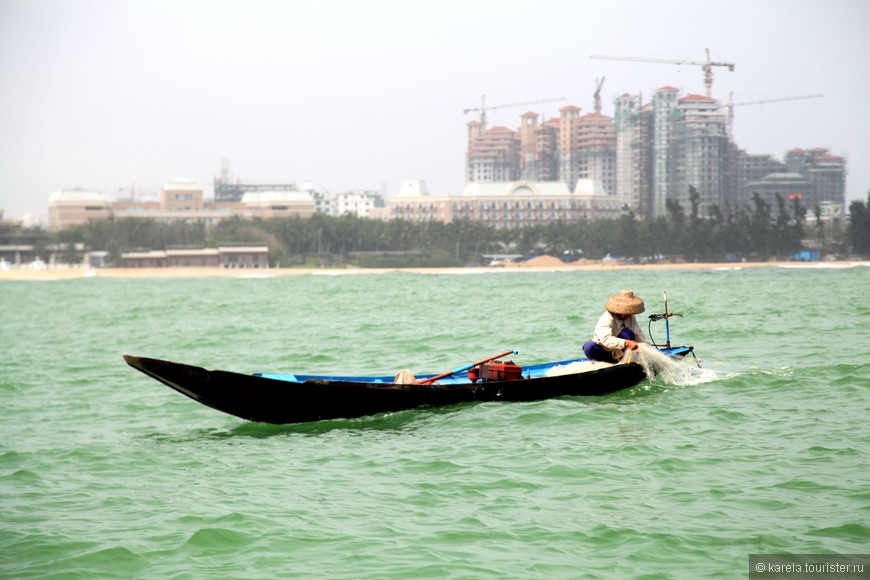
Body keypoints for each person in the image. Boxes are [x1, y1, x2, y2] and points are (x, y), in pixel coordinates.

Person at [583, 289, 648, 363]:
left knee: (628, 333)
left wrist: (647, 347)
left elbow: (638, 335)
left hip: (619, 354)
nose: (629, 313)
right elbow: (605, 339)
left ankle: (622, 360)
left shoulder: (631, 317)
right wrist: (626, 343)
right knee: (588, 346)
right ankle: (597, 363)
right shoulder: (607, 317)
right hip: (602, 351)